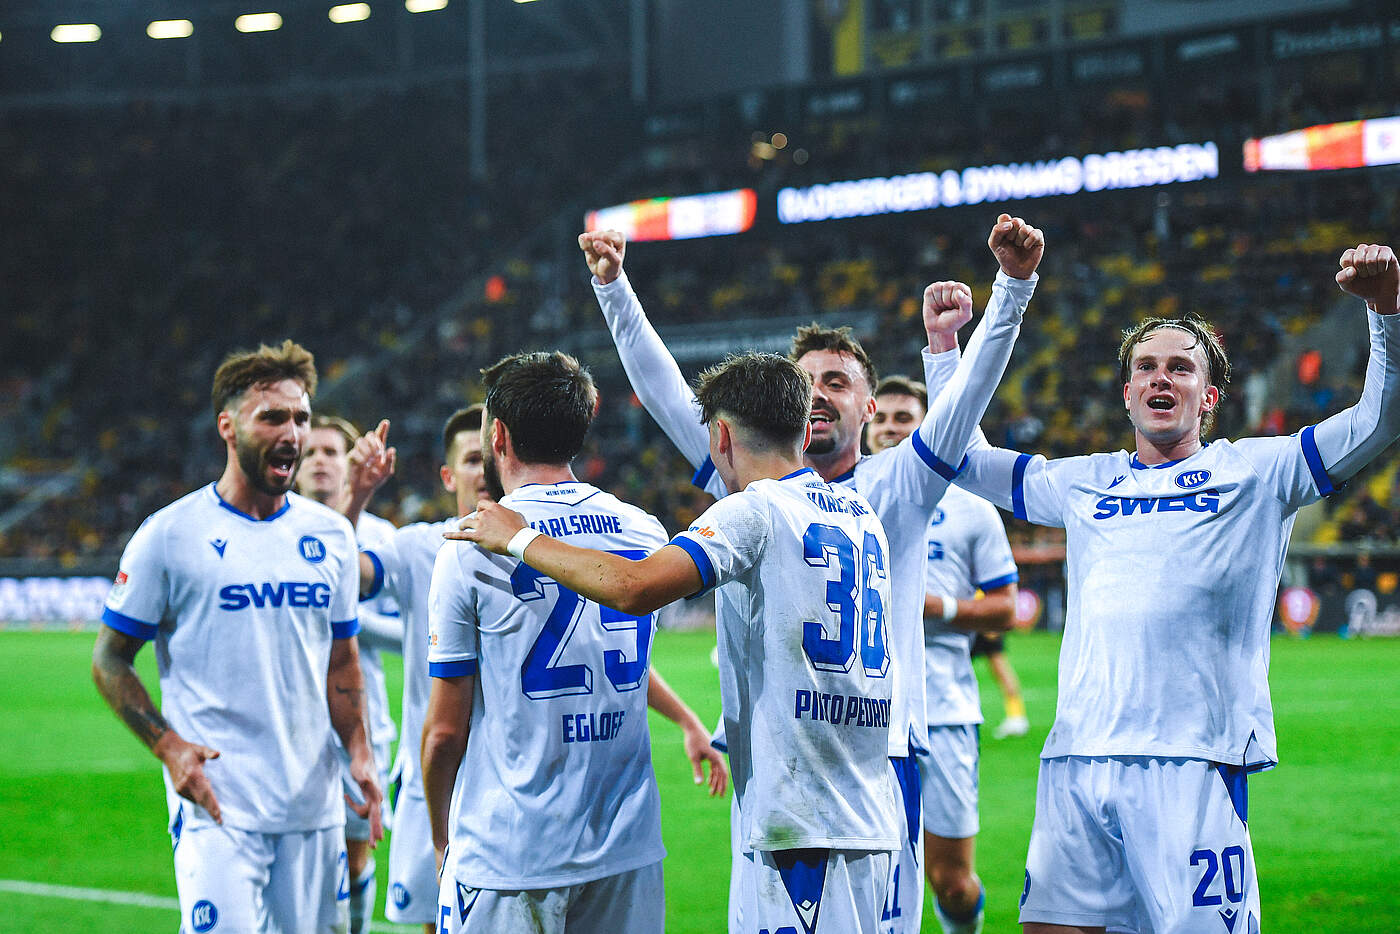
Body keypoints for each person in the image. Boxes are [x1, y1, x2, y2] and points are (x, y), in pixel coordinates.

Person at [580, 213, 1043, 933]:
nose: (820, 392)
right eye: (807, 381)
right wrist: (615, 288)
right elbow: (671, 396)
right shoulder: (751, 485)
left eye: (838, 381)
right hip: (776, 763)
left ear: (869, 405)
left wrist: (1010, 291)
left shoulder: (900, 482)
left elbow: (963, 403)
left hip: (880, 755)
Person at [935, 243, 1400, 932]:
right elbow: (962, 458)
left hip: (1193, 763)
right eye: (1145, 367)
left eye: (1181, 367)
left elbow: (1379, 421)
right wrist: (945, 349)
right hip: (1076, 759)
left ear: (1208, 398)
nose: (1161, 377)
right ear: (1127, 395)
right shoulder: (1084, 480)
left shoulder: (1260, 471)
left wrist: (1386, 310)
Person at [455, 351, 899, 932]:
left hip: (800, 822)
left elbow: (634, 587)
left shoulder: (753, 510)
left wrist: (520, 539)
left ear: (721, 437)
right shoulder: (861, 513)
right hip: (869, 807)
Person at [410, 351, 726, 934]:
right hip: (627, 848)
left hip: (510, 853)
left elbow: (444, 733)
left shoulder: (472, 546)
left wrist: (439, 838)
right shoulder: (644, 530)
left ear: (498, 436)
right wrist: (686, 718)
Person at [92, 340, 382, 934]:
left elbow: (342, 662)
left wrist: (359, 748)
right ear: (228, 427)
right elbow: (110, 659)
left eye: (300, 418)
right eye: (272, 417)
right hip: (217, 802)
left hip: (313, 803)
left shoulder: (331, 536)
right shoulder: (169, 535)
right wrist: (169, 747)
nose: (292, 434)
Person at [870, 375, 1020, 934]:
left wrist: (941, 608)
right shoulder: (846, 498)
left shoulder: (970, 508)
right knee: (872, 875)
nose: (889, 429)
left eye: (904, 419)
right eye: (881, 418)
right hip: (868, 713)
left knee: (951, 882)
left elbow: (1007, 607)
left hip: (946, 709)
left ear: (926, 427)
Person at [296, 413, 402, 934]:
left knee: (355, 854)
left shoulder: (381, 537)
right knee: (303, 859)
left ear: (349, 463)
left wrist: (345, 625)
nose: (320, 461)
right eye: (310, 452)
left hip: (361, 719)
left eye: (331, 451)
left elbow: (411, 631)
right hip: (294, 719)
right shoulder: (278, 528)